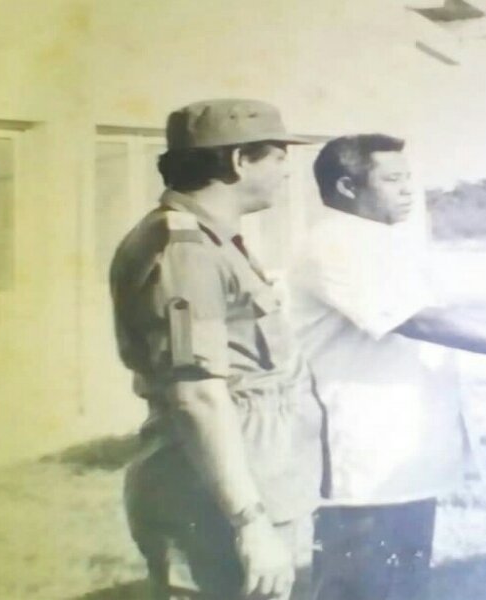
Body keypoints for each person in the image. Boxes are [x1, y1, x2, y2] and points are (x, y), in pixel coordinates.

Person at [289, 133, 486, 600]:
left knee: (405, 584)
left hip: (402, 445)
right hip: (361, 453)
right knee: (358, 586)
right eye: (392, 179)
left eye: (409, 178)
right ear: (348, 187)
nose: (408, 189)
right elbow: (422, 322)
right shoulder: (333, 242)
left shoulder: (379, 241)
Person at [109, 99, 328, 600]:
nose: (285, 172)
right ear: (237, 162)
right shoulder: (184, 250)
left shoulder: (211, 241)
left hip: (248, 482)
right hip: (217, 498)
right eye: (275, 157)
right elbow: (198, 397)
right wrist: (249, 521)